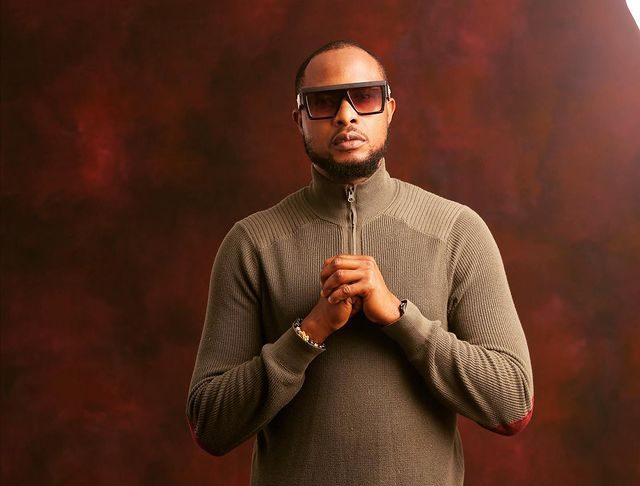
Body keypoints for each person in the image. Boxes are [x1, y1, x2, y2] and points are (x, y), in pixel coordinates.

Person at [186, 40, 534, 486]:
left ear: (389, 110)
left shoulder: (457, 232)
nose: (346, 115)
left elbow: (512, 405)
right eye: (323, 102)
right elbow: (209, 427)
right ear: (299, 120)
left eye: (364, 97)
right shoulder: (252, 244)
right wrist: (308, 333)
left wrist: (401, 319)